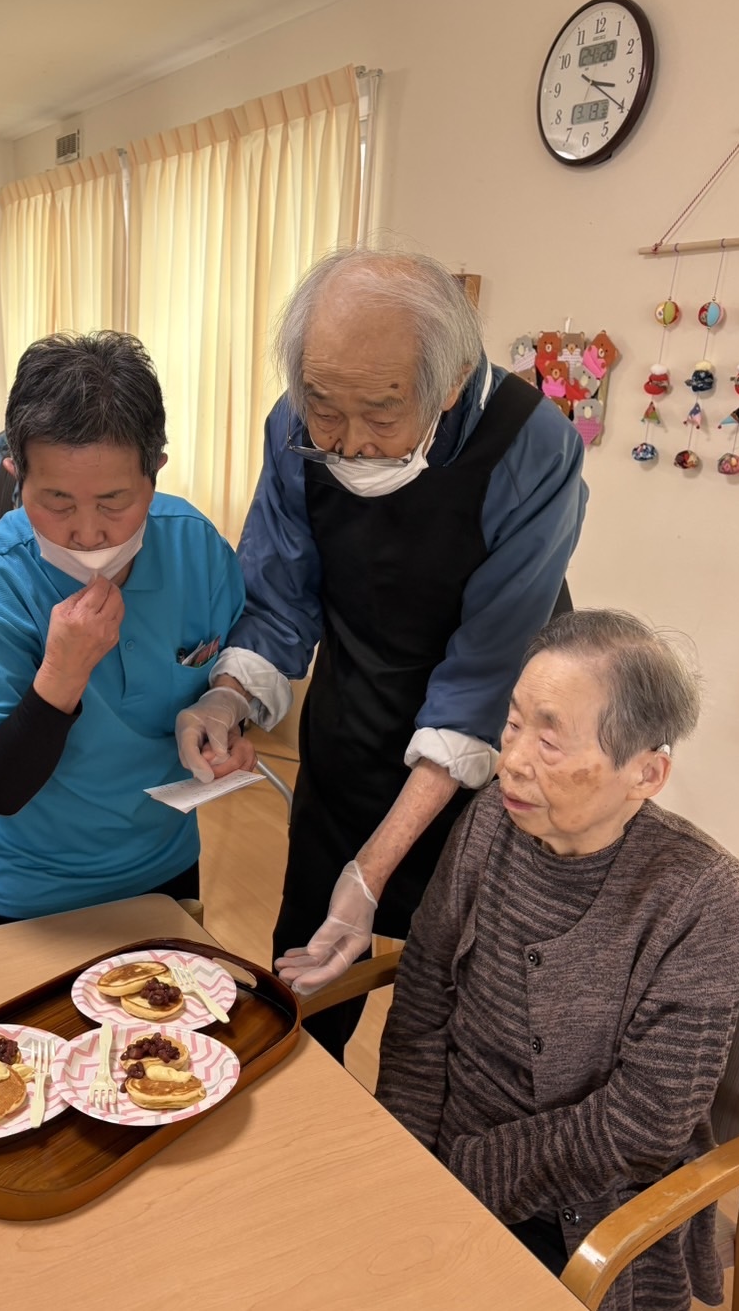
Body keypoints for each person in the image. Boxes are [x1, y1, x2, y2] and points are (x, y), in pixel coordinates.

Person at [174, 246, 587, 1054]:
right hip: (354, 724)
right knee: (302, 989)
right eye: (326, 407)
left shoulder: (532, 446)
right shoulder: (296, 422)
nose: (350, 442)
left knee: (460, 998)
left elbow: (482, 676)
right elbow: (280, 593)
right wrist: (227, 697)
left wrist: (373, 870)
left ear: (451, 382)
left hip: (491, 757)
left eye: (382, 413)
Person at [374, 610, 739, 1311]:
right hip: (438, 1157)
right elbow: (424, 994)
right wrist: (402, 1154)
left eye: (550, 740)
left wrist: (461, 1177)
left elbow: (645, 1123)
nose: (512, 760)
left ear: (646, 772)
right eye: (513, 724)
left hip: (586, 1209)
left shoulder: (699, 897)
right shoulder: (491, 819)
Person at [0, 331, 254, 923]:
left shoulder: (195, 547)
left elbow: (236, 664)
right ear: (15, 475)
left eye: (114, 502)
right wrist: (64, 670)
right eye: (56, 502)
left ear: (155, 473)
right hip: (36, 883)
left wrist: (227, 716)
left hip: (165, 857)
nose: (87, 533)